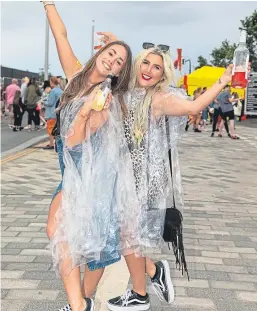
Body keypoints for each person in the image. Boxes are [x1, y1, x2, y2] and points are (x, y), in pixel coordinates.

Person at [93, 32, 238, 311]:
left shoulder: (159, 99)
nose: (149, 70)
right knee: (122, 235)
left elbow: (195, 106)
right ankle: (151, 273)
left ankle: (141, 291)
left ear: (162, 75)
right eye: (145, 63)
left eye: (156, 67)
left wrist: (222, 80)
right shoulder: (123, 91)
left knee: (126, 235)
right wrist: (115, 45)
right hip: (122, 177)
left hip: (144, 180)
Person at [42, 2, 133, 311]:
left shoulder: (107, 99)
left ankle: (80, 303)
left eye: (119, 61)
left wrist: (84, 113)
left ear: (121, 71)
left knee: (93, 240)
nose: (112, 61)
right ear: (100, 53)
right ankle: (80, 303)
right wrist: (49, 4)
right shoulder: (76, 77)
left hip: (92, 174)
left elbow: (77, 139)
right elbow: (61, 37)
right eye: (110, 53)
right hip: (70, 170)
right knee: (59, 231)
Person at [43, 76, 62, 149]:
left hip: (51, 113)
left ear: (52, 82)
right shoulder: (60, 90)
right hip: (58, 113)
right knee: (56, 130)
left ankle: (51, 144)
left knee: (51, 129)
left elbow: (50, 103)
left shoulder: (53, 91)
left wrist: (43, 102)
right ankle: (56, 144)